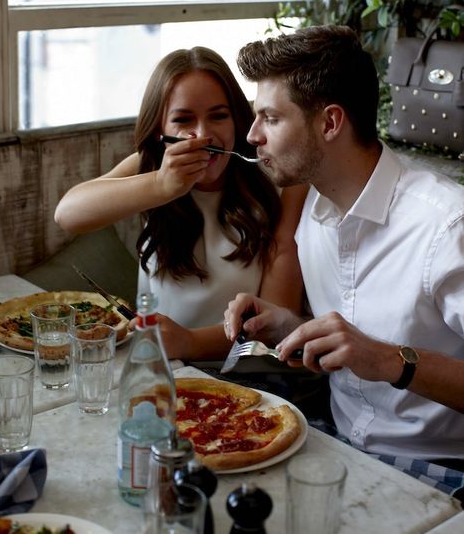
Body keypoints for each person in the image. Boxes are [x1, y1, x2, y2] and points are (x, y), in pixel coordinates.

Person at [223, 25, 464, 490]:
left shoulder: (446, 226)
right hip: (334, 444)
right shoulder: (314, 211)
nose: (252, 136)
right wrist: (289, 328)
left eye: (270, 118)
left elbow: (375, 354)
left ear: (330, 123)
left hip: (442, 471)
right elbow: (354, 344)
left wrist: (392, 361)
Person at [54, 46, 308, 361]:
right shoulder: (151, 167)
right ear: (160, 130)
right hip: (156, 368)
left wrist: (190, 342)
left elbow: (275, 325)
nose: (204, 135)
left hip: (241, 379)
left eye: (218, 116)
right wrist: (161, 185)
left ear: (238, 121)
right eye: (183, 119)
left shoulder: (281, 183)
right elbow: (67, 214)